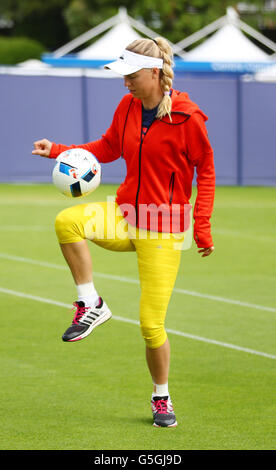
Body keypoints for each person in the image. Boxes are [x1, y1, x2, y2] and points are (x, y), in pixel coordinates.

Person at [32, 37, 215, 428]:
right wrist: (58, 151)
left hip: (164, 229)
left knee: (151, 326)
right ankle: (92, 303)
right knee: (68, 221)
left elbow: (207, 169)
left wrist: (201, 225)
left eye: (130, 75)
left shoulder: (187, 116)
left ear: (153, 73)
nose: (125, 83)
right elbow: (108, 146)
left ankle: (161, 398)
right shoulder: (128, 106)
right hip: (125, 213)